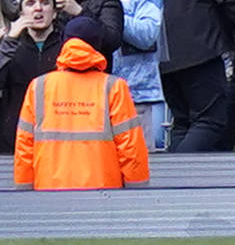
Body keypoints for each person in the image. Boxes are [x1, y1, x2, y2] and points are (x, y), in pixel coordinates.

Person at [10, 29, 153, 187]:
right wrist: (137, 189)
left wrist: (23, 190)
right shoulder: (113, 86)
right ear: (97, 47)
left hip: (48, 192)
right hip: (105, 193)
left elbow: (25, 146)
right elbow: (130, 147)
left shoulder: (39, 86)